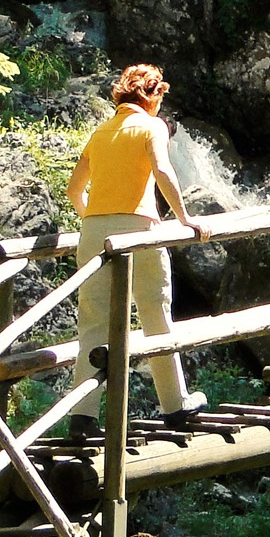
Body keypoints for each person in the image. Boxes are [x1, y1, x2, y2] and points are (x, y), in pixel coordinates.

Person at [64, 65, 211, 437]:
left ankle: (82, 419)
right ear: (151, 95)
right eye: (159, 96)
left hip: (93, 232)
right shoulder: (152, 126)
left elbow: (74, 191)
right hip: (138, 230)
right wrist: (185, 217)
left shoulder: (101, 132)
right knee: (155, 313)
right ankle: (175, 406)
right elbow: (162, 170)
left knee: (94, 323)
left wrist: (96, 220)